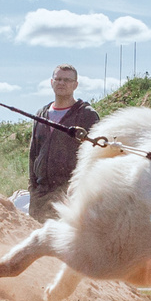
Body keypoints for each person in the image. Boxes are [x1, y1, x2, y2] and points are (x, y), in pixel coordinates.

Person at [26, 65, 99, 220]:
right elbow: (33, 153)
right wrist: (33, 188)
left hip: (69, 195)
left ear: (75, 85)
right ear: (51, 82)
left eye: (67, 80)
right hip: (40, 195)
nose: (61, 83)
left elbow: (95, 156)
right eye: (58, 79)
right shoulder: (41, 114)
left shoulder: (86, 115)